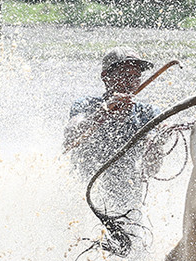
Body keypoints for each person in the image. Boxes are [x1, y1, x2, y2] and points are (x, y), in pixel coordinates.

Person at [63, 48, 169, 216]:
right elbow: (70, 136)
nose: (131, 82)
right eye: (125, 75)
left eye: (135, 76)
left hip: (128, 204)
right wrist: (101, 114)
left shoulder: (148, 113)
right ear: (106, 77)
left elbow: (151, 169)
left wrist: (157, 144)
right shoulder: (86, 105)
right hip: (85, 198)